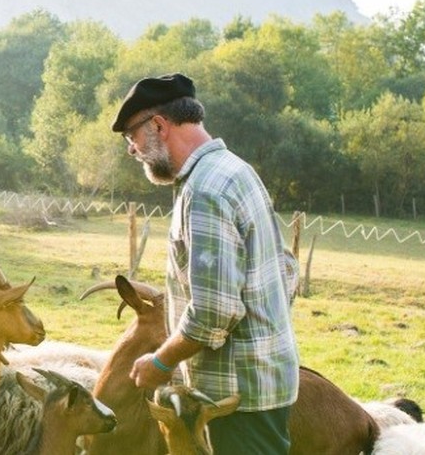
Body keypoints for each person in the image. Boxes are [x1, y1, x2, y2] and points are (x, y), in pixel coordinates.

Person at [114, 73, 300, 454]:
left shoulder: (205, 190)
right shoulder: (234, 170)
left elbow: (214, 311)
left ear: (159, 126)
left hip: (235, 400)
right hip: (258, 385)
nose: (132, 150)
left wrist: (160, 363)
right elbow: (285, 268)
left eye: (131, 137)